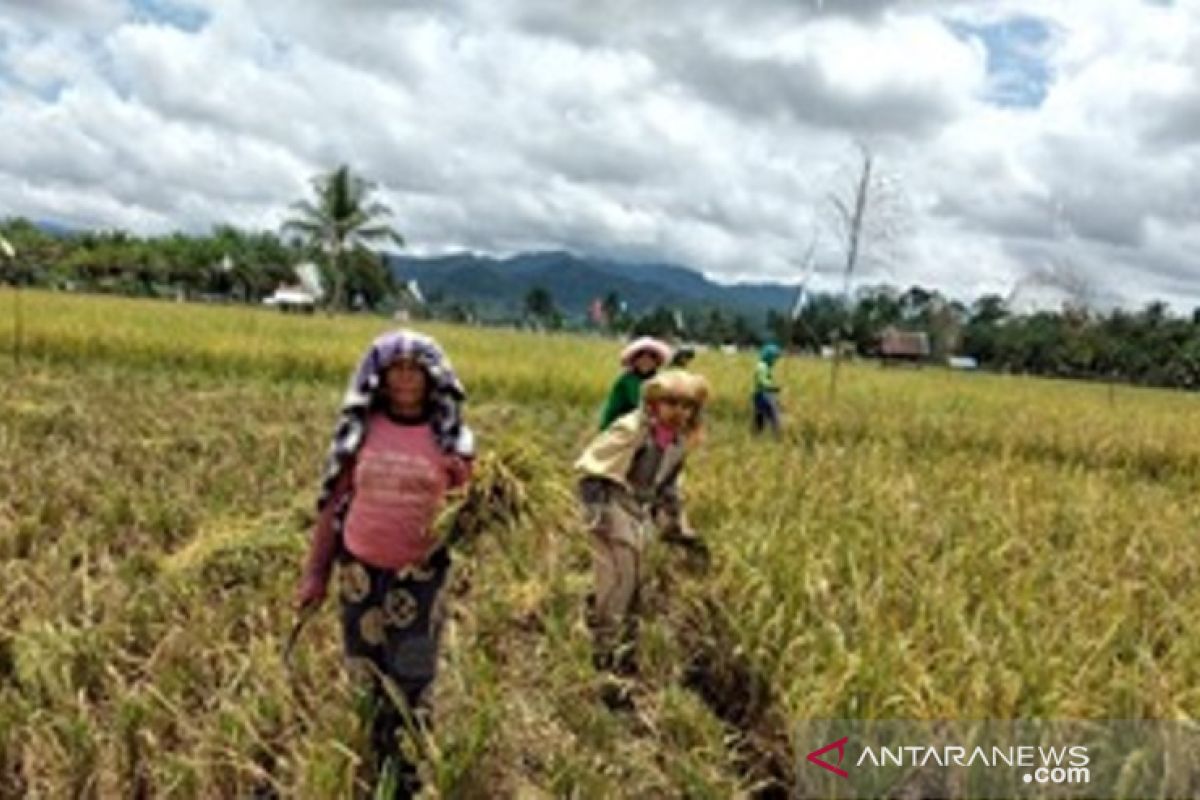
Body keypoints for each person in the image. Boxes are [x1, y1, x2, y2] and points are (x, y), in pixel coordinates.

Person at [295, 329, 474, 798]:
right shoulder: (361, 430)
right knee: (366, 675)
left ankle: (410, 774)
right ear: (379, 376)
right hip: (358, 570)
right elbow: (334, 505)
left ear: (434, 377)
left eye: (416, 369)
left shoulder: (452, 440)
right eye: (396, 369)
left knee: (413, 678)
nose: (406, 379)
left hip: (420, 577)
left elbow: (467, 516)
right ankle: (376, 764)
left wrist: (466, 489)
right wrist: (316, 572)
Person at [575, 370, 710, 706]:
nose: (679, 412)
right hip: (614, 506)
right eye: (671, 403)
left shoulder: (677, 442)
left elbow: (667, 490)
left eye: (687, 406)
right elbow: (592, 471)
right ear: (653, 403)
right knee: (618, 580)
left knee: (636, 585)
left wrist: (679, 528)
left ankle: (619, 648)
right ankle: (603, 658)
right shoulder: (633, 429)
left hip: (639, 512)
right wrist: (597, 514)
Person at [598, 336, 672, 431]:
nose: (646, 360)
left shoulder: (660, 380)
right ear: (634, 359)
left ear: (657, 361)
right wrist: (605, 430)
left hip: (652, 427)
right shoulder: (626, 380)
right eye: (641, 356)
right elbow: (612, 409)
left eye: (652, 356)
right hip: (626, 426)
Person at [752, 343, 783, 436]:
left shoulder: (765, 366)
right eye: (774, 358)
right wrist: (774, 388)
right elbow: (762, 382)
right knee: (774, 417)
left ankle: (756, 437)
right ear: (769, 356)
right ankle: (777, 437)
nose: (775, 361)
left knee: (760, 418)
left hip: (760, 395)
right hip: (764, 395)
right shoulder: (762, 367)